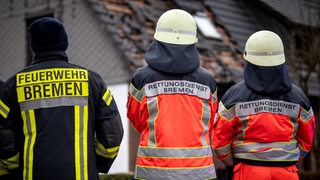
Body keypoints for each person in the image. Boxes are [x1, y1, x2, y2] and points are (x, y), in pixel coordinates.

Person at [0, 17, 124, 180]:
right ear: (64, 43)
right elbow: (112, 133)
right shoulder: (92, 81)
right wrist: (98, 163)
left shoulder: (13, 86)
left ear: (33, 47)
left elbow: (3, 135)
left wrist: (15, 168)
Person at [126, 9, 218, 180]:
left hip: (153, 172)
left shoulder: (141, 78)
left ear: (157, 38)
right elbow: (211, 122)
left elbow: (137, 120)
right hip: (199, 173)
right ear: (193, 41)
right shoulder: (207, 81)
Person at [213, 30, 316, 180]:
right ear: (281, 59)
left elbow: (220, 143)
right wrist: (287, 158)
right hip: (287, 172)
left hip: (248, 171)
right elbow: (307, 141)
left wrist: (234, 161)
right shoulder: (298, 97)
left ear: (248, 60)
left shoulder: (234, 96)